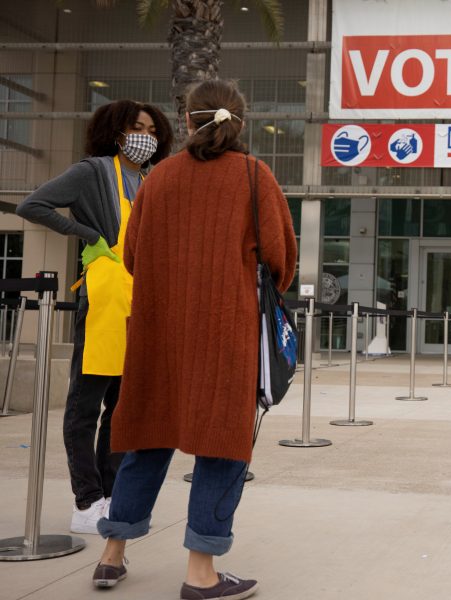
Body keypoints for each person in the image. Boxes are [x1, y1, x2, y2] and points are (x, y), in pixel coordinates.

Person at [91, 80, 297, 599]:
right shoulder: (254, 176)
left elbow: (132, 256)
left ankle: (112, 555)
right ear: (240, 124)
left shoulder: (158, 179)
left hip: (158, 333)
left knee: (147, 435)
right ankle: (200, 571)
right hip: (226, 333)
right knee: (222, 445)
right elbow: (281, 260)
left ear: (186, 122)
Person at [16, 100, 173, 534]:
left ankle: (110, 495)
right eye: (137, 128)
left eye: (153, 130)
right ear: (116, 131)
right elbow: (33, 205)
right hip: (104, 300)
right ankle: (86, 500)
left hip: (138, 304)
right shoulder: (93, 172)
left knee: (121, 409)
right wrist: (87, 234)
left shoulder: (148, 179)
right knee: (85, 407)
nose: (146, 137)